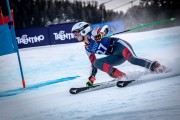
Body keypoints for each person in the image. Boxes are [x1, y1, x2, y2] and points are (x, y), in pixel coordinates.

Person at [71, 22, 167, 87]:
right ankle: (122, 76)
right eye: (73, 34)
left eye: (76, 33)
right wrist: (92, 78)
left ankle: (157, 66)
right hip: (115, 56)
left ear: (83, 30)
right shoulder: (87, 49)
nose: (75, 36)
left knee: (132, 59)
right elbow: (93, 64)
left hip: (119, 46)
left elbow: (105, 28)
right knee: (96, 63)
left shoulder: (93, 33)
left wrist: (100, 34)